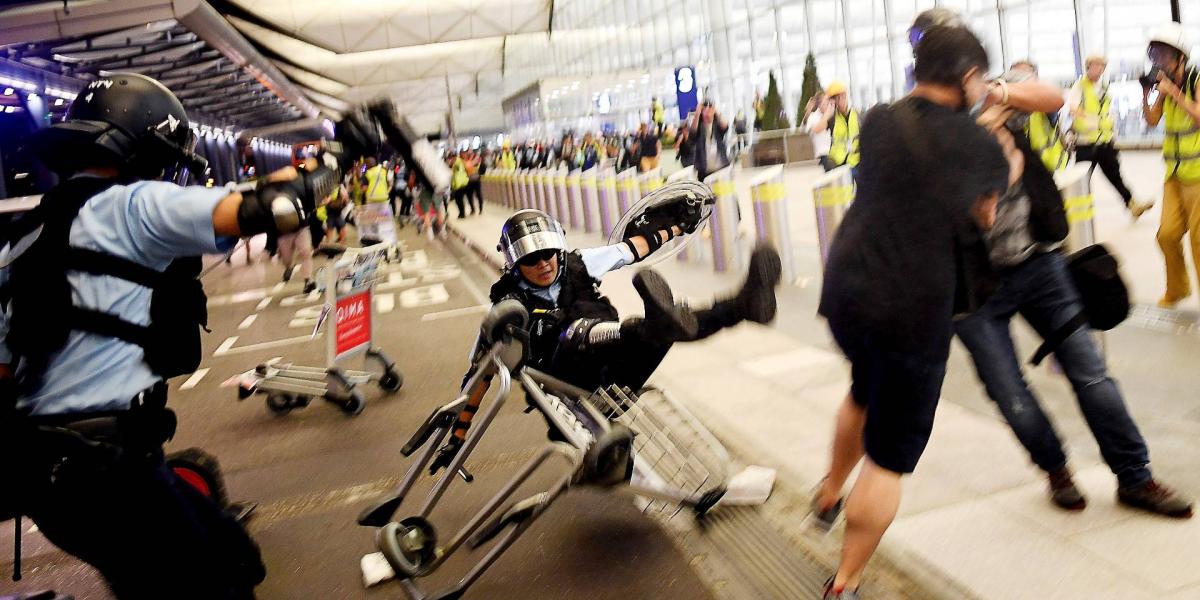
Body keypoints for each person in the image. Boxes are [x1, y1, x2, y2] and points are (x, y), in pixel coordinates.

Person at [0, 72, 321, 598]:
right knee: (217, 582)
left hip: (52, 479)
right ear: (142, 146)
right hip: (111, 475)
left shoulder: (21, 241)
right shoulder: (135, 205)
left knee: (230, 552)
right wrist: (327, 168)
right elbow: (271, 210)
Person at [812, 26, 1012, 600]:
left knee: (863, 390)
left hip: (848, 291)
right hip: (912, 307)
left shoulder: (878, 120)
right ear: (970, 78)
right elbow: (984, 217)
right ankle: (844, 582)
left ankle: (828, 493)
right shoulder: (977, 145)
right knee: (890, 455)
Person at [954, 67, 1193, 520]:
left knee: (1092, 374)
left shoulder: (999, 105)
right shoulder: (932, 130)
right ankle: (1056, 469)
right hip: (973, 290)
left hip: (1039, 265)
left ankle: (1135, 476)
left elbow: (1052, 97)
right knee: (1011, 396)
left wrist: (998, 93)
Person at [433, 186, 781, 466]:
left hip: (615, 377)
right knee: (579, 333)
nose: (544, 264)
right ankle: (655, 323)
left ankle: (744, 304)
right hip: (566, 396)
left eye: (549, 253)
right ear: (515, 264)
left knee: (664, 329)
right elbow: (481, 374)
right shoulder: (507, 308)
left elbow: (632, 248)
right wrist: (457, 436)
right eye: (531, 259)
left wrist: (679, 224)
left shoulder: (577, 264)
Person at [1143, 22, 1200, 310]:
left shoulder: (1195, 78)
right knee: (1166, 235)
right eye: (1155, 54)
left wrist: (1174, 93)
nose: (1158, 61)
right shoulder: (1165, 85)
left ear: (1180, 57)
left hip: (1199, 176)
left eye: (1165, 54)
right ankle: (1178, 288)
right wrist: (1148, 93)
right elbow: (1152, 121)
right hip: (1174, 175)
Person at [1070, 55, 1154, 218]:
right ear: (1088, 67)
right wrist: (1092, 120)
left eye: (1102, 66)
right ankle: (1071, 215)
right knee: (1081, 181)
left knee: (1115, 175)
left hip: (1104, 141)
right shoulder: (1080, 86)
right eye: (1096, 66)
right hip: (1086, 143)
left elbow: (1107, 111)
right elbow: (1073, 108)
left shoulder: (1104, 88)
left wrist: (1109, 126)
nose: (1099, 69)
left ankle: (1132, 204)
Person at [1010, 60, 1069, 173]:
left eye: (1024, 75)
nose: (1019, 80)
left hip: (1053, 168)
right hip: (1027, 172)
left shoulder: (1043, 103)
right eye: (1015, 76)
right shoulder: (1006, 108)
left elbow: (1055, 105)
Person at [824, 82, 860, 175]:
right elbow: (816, 129)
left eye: (841, 97)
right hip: (838, 163)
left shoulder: (857, 114)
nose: (839, 101)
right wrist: (827, 113)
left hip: (856, 161)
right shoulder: (831, 118)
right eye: (835, 99)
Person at [693, 101, 730, 181]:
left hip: (720, 167)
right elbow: (692, 133)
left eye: (710, 110)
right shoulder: (699, 127)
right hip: (704, 170)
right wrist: (697, 113)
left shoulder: (717, 125)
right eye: (705, 111)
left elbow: (725, 127)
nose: (708, 114)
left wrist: (716, 111)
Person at [803, 91, 835, 171]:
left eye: (828, 102)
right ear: (819, 105)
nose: (827, 105)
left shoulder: (832, 114)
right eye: (824, 103)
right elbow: (817, 129)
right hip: (823, 154)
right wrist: (826, 116)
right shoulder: (813, 117)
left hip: (835, 152)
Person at [450, 151, 470, 219]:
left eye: (452, 157)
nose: (451, 159)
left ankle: (462, 213)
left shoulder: (458, 162)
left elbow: (459, 170)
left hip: (460, 184)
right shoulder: (456, 162)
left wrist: (452, 164)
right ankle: (461, 213)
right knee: (458, 200)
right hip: (457, 184)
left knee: (459, 199)